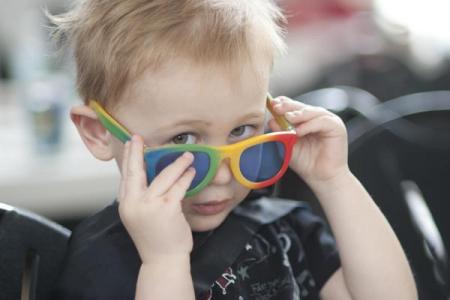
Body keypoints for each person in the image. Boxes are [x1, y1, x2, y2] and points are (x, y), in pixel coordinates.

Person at [50, 0, 417, 299]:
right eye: (183, 140)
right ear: (100, 133)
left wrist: (335, 180)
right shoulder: (99, 262)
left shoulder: (285, 229)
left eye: (242, 129)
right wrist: (165, 262)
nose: (225, 175)